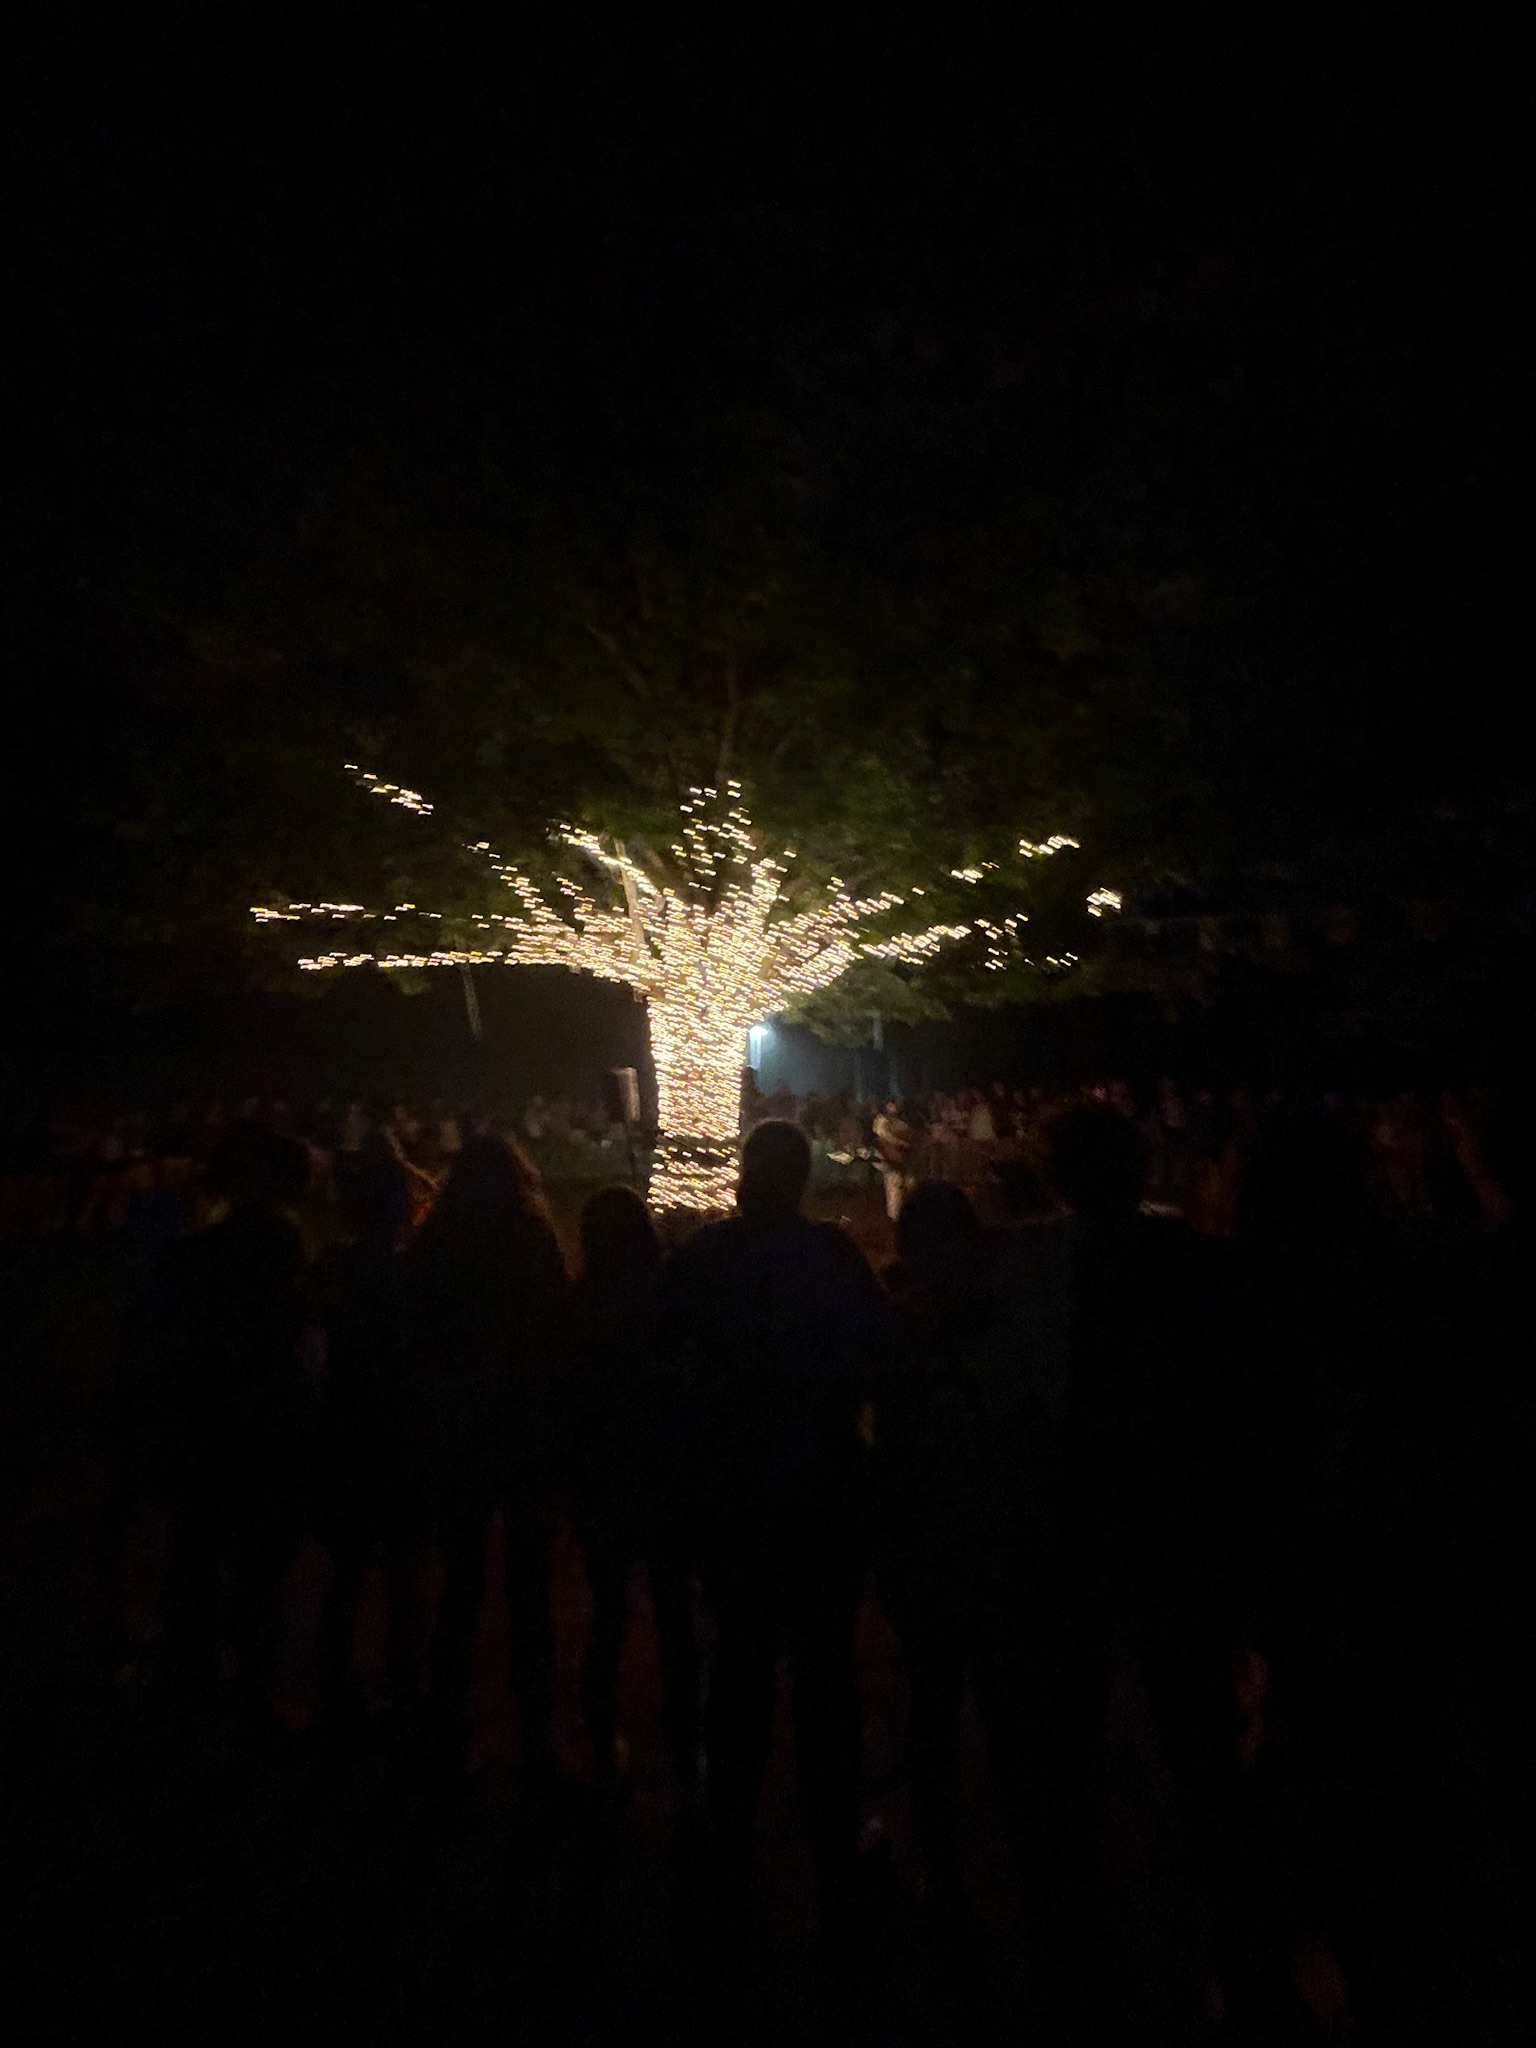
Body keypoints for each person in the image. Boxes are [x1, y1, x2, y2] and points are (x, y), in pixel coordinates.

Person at [664, 1120, 893, 1942]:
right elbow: (878, 1353)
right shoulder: (832, 1258)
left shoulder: (705, 1258)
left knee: (741, 1658)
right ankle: (832, 1829)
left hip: (735, 1487)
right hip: (819, 1486)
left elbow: (663, 1359)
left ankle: (730, 1823)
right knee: (823, 1665)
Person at [398, 1134, 569, 1784]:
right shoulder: (530, 1239)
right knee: (529, 1589)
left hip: (459, 1431)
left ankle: (445, 1722)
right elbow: (554, 1325)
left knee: (462, 1584)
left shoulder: (436, 1244)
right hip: (521, 1428)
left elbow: (414, 1332)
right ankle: (537, 1737)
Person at [159, 1120, 312, 1714]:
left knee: (198, 1556)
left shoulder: (200, 1252)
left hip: (206, 1420)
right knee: (254, 1569)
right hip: (255, 1420)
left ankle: (192, 1680)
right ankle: (249, 1694)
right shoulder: (275, 1240)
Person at [569, 1186, 700, 1799]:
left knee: (608, 1615)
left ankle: (598, 1740)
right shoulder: (663, 1302)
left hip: (603, 1478)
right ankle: (687, 1744)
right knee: (674, 1613)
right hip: (663, 1472)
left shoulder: (579, 1304)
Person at [872, 1097, 914, 1222]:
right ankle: (894, 1217)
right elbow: (883, 1135)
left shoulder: (900, 1123)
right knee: (893, 1180)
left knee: (910, 1182)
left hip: (899, 1159)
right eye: (893, 1104)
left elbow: (908, 1135)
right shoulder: (880, 1121)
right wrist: (900, 1143)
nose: (895, 1107)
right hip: (883, 1158)